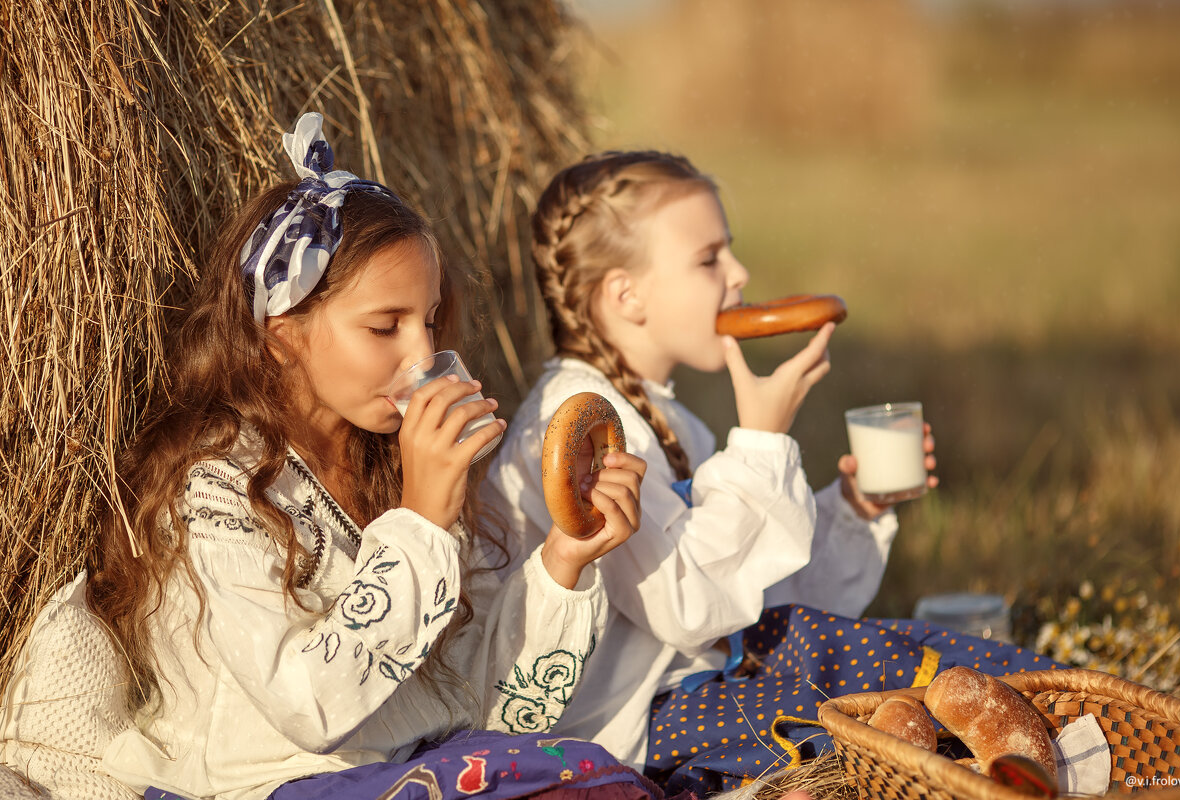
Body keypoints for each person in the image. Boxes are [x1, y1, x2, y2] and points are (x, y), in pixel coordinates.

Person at [80, 115, 657, 800]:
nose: (422, 356)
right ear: (280, 334)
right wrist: (420, 520)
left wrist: (565, 558)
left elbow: (491, 715)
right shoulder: (214, 488)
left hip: (424, 772)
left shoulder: (394, 466)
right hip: (273, 786)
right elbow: (309, 707)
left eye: (431, 321)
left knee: (592, 778)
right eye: (385, 326)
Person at [482, 151, 1055, 795]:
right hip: (637, 722)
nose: (739, 273)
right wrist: (760, 440)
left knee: (898, 654)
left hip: (715, 676)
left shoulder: (668, 417)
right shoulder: (580, 428)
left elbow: (761, 594)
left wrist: (855, 507)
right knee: (850, 718)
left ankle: (1064, 718)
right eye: (709, 259)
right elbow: (689, 607)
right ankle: (1026, 759)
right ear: (626, 294)